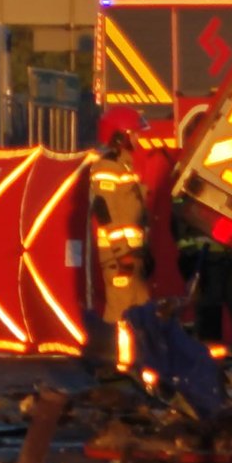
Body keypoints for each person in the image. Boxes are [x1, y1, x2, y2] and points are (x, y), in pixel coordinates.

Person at [89, 106, 152, 323]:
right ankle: (112, 344)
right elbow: (105, 211)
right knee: (121, 311)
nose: (137, 138)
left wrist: (143, 252)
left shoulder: (125, 165)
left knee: (142, 308)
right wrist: (121, 252)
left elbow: (134, 211)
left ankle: (135, 346)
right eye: (133, 134)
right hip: (118, 258)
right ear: (119, 137)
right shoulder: (107, 167)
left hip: (132, 255)